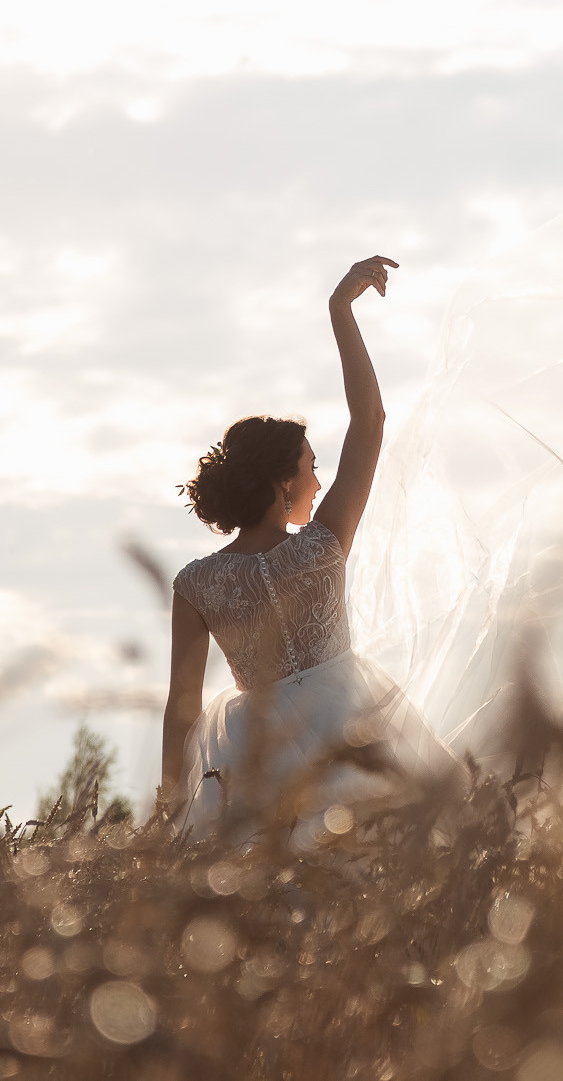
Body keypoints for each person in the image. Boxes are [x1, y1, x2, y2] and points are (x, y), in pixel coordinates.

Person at [161, 255, 459, 838]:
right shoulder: (321, 549)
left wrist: (170, 810)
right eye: (312, 467)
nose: (319, 481)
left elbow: (181, 710)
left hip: (253, 758)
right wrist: (340, 312)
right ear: (284, 484)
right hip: (350, 732)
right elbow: (369, 420)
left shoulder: (195, 585)